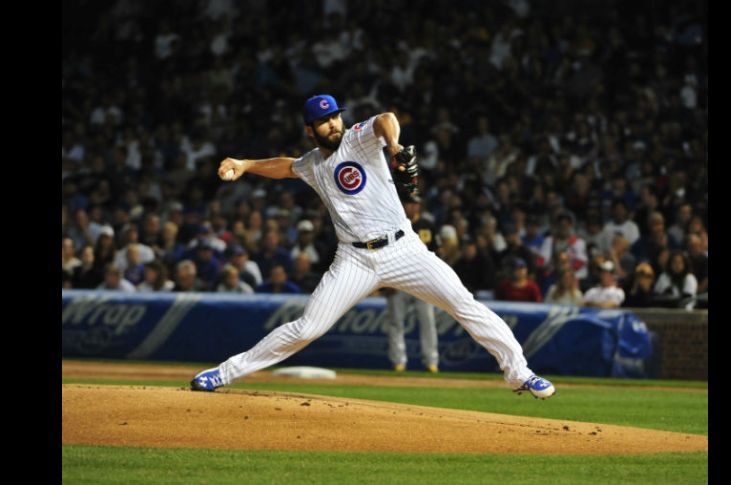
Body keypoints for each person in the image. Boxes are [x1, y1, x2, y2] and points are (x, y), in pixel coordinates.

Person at [190, 94, 555, 399]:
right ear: (309, 129)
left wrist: (394, 145)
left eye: (335, 116)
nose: (333, 124)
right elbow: (285, 166)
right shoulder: (313, 164)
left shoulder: (358, 138)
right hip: (355, 259)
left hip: (404, 249)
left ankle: (519, 373)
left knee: (464, 304)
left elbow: (386, 118)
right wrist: (246, 163)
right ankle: (224, 373)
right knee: (307, 329)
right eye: (323, 121)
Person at [384, 194, 439, 373]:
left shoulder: (427, 225)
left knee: (428, 322)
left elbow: (436, 254)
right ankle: (398, 361)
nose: (413, 206)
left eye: (416, 203)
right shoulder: (393, 224)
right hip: (398, 279)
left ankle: (431, 362)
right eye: (410, 203)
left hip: (423, 281)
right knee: (396, 322)